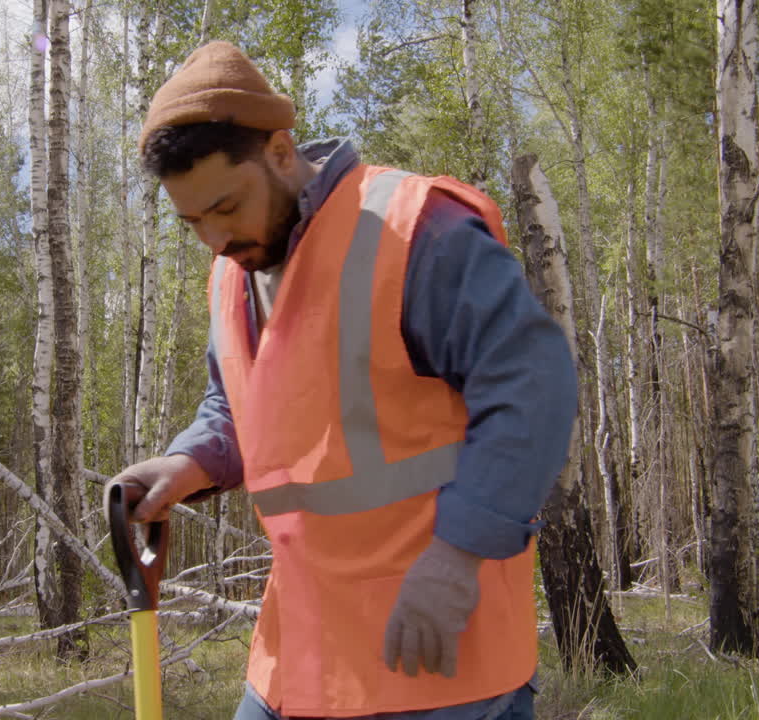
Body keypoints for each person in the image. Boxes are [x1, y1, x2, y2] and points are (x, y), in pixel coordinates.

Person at [109, 40, 577, 720]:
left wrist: (458, 556)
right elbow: (241, 404)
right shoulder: (232, 275)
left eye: (227, 206)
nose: (214, 238)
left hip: (435, 659)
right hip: (296, 659)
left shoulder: (413, 229)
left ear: (278, 150)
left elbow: (532, 385)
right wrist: (188, 463)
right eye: (192, 222)